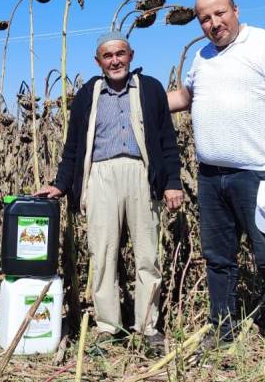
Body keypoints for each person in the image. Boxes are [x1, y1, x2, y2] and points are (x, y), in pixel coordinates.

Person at [166, 0, 265, 353]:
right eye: (205, 19)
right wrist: (133, 97)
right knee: (218, 260)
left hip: (260, 175)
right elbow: (185, 98)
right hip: (212, 176)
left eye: (220, 13)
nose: (214, 24)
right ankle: (223, 329)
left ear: (235, 9)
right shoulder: (202, 56)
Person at [35, 31, 183, 355]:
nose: (115, 60)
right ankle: (107, 327)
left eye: (120, 54)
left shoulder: (151, 89)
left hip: (141, 174)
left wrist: (173, 181)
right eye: (107, 55)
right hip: (100, 176)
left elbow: (166, 141)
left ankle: (147, 327)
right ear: (98, 61)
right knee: (102, 255)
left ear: (130, 55)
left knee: (147, 255)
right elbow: (73, 145)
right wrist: (61, 184)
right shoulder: (88, 94)